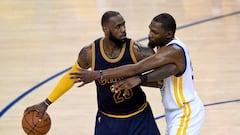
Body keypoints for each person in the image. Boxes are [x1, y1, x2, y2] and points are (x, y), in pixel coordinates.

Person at [24, 11, 161, 135]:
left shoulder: (138, 50)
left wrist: (138, 79)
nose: (123, 30)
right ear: (105, 29)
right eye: (118, 27)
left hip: (140, 117)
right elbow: (71, 77)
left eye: (124, 25)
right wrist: (46, 103)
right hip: (108, 121)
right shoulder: (90, 53)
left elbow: (162, 80)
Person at [70, 13, 205, 135]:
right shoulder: (165, 48)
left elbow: (138, 68)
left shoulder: (173, 51)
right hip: (173, 113)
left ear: (168, 34)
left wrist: (99, 74)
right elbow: (170, 71)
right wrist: (137, 79)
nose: (150, 35)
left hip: (185, 111)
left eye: (155, 32)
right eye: (150, 30)